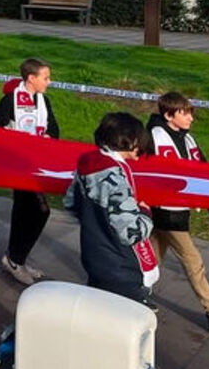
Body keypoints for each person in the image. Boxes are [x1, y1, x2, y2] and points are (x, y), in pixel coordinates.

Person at [64, 112, 157, 309]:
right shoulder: (115, 176)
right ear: (130, 140)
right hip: (121, 266)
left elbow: (71, 203)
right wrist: (145, 213)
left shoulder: (87, 162)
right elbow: (131, 232)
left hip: (94, 254)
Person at [146, 92, 209, 332]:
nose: (191, 119)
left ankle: (131, 293)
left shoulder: (188, 140)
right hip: (165, 212)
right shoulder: (152, 137)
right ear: (168, 115)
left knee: (151, 259)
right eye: (185, 113)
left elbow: (204, 172)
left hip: (177, 210)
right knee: (193, 260)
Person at [0, 58, 59, 285]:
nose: (49, 82)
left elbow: (54, 129)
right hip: (18, 165)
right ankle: (15, 259)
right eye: (45, 78)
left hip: (37, 163)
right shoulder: (10, 101)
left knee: (25, 211)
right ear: (31, 78)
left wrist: (48, 137)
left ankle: (16, 258)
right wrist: (14, 138)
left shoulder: (43, 100)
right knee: (40, 211)